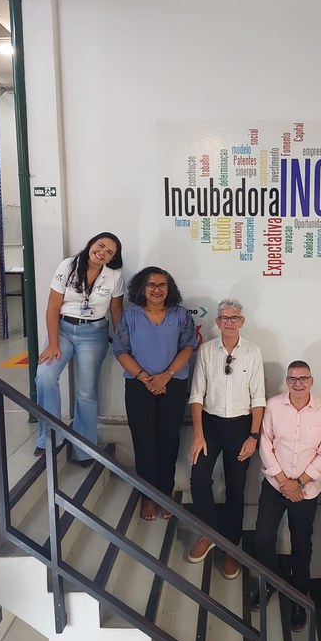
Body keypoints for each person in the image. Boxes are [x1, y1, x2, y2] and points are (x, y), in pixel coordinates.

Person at [251, 360, 321, 633]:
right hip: (275, 487)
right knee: (262, 538)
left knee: (302, 545)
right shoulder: (274, 405)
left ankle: (299, 596)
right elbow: (265, 444)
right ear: (287, 381)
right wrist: (284, 483)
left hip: (306, 491)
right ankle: (272, 583)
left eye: (303, 379)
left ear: (312, 381)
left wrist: (298, 484)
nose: (298, 384)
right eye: (293, 379)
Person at [188, 299, 266, 580]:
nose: (229, 322)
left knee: (236, 488)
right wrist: (198, 434)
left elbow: (258, 398)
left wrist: (253, 436)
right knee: (199, 480)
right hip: (210, 424)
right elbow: (196, 395)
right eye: (224, 318)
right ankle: (210, 534)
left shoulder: (253, 352)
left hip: (241, 426)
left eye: (234, 318)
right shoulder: (207, 351)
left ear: (242, 321)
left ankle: (231, 546)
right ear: (217, 322)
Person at [113, 266, 196, 521]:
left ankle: (165, 493)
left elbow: (188, 347)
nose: (157, 290)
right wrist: (144, 377)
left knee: (169, 439)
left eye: (162, 285)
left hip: (173, 384)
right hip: (139, 386)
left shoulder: (180, 315)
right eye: (151, 285)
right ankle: (148, 496)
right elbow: (120, 350)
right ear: (142, 288)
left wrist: (165, 376)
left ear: (169, 289)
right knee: (144, 441)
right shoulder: (130, 315)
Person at [35, 232, 125, 464]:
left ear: (112, 258)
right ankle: (49, 438)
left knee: (86, 392)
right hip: (62, 330)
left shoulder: (115, 276)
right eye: (100, 246)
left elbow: (116, 310)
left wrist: (122, 342)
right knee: (45, 376)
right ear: (91, 244)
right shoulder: (68, 266)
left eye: (109, 252)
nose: (102, 252)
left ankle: (84, 448)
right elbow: (52, 307)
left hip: (93, 334)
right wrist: (53, 343)